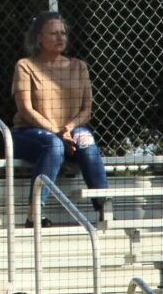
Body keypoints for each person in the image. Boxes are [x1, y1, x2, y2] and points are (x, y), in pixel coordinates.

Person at [12, 12, 109, 229]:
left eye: (63, 33)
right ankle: (33, 214)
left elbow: (87, 109)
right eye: (53, 33)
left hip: (69, 131)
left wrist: (69, 127)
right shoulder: (25, 66)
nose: (60, 37)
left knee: (86, 140)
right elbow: (25, 109)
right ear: (39, 38)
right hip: (31, 132)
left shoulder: (79, 66)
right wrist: (57, 132)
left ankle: (103, 207)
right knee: (53, 144)